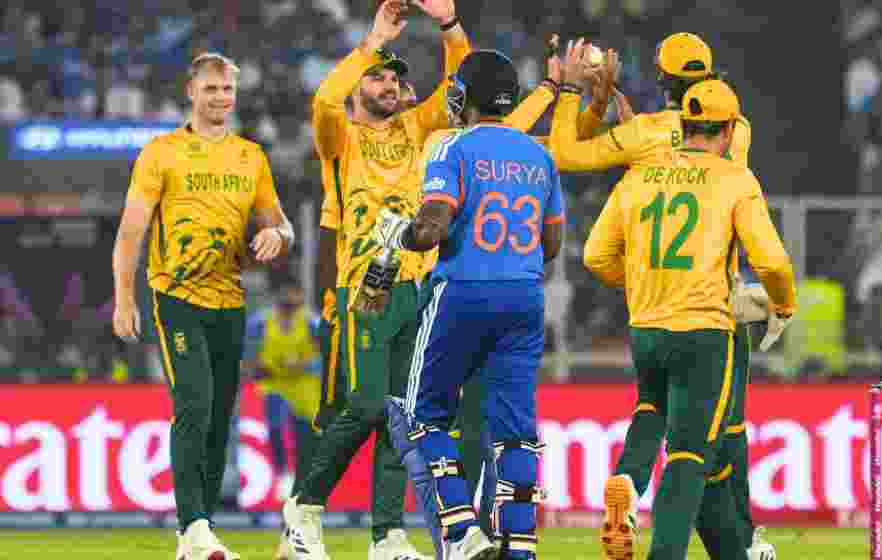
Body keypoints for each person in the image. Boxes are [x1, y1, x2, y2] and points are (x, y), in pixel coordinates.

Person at [381, 34, 623, 560]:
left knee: (423, 414)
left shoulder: (451, 146)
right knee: (516, 433)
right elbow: (554, 243)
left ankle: (462, 529)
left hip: (461, 291)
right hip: (524, 297)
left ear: (465, 98)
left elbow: (432, 226)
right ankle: (521, 547)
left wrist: (398, 234)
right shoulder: (538, 156)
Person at [550, 33, 775, 560]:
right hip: (716, 306)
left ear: (661, 79)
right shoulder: (736, 130)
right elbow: (702, 156)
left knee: (656, 411)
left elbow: (565, 152)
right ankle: (740, 540)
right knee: (720, 436)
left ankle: (634, 482)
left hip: (655, 304)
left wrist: (585, 98)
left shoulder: (644, 135)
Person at [281, 2, 469, 559]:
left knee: (400, 414)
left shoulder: (416, 125)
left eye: (395, 77)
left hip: (415, 285)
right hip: (366, 286)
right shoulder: (338, 133)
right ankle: (304, 509)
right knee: (364, 406)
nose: (390, 84)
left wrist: (449, 23)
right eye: (378, 76)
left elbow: (462, 83)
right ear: (358, 82)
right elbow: (322, 98)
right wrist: (371, 41)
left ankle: (387, 535)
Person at [112, 52, 295, 560]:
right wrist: (125, 298)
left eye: (228, 90)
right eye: (211, 89)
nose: (220, 98)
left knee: (218, 418)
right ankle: (193, 527)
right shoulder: (161, 152)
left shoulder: (250, 156)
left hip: (230, 302)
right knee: (193, 404)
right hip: (175, 298)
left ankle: (199, 535)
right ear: (191, 92)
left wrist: (278, 237)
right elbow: (131, 230)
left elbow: (283, 224)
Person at [244, 283, 321, 504]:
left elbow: (327, 352)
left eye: (292, 307)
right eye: (284, 307)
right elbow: (248, 355)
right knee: (275, 424)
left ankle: (301, 481)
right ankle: (282, 473)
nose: (288, 312)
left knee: (303, 434)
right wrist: (257, 368)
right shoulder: (260, 323)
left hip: (304, 385)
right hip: (274, 383)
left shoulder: (311, 322)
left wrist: (304, 364)